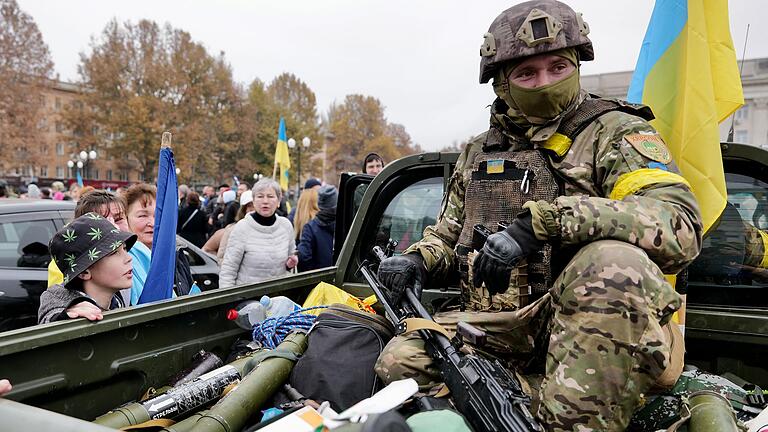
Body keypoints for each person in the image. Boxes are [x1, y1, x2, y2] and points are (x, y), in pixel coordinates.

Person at [374, 2, 703, 430]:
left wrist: (548, 222)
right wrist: (417, 259)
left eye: (558, 67)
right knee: (399, 362)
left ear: (578, 66)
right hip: (501, 327)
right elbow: (452, 232)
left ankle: (575, 414)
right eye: (527, 74)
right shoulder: (478, 152)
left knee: (613, 266)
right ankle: (546, 398)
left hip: (591, 324)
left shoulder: (615, 132)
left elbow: (678, 225)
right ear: (501, 84)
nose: (544, 83)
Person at [38, 213, 137, 324]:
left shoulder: (118, 300)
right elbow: (50, 316)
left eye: (124, 249)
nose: (129, 258)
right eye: (114, 253)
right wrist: (64, 318)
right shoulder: (63, 303)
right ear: (84, 272)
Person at [47, 189, 136, 309]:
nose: (113, 227)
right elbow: (55, 299)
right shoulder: (78, 311)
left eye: (119, 219)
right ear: (83, 272)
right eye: (113, 252)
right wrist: (66, 309)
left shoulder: (115, 295)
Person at [124, 183, 199, 304]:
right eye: (143, 215)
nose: (152, 223)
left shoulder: (177, 253)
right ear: (126, 218)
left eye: (158, 215)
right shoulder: (122, 262)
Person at [219, 178, 297, 287]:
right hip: (247, 297)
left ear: (279, 201)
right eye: (260, 196)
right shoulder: (242, 227)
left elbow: (290, 258)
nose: (265, 201)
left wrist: (290, 264)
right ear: (253, 201)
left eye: (270, 196)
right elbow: (228, 269)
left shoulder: (286, 225)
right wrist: (229, 301)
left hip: (279, 295)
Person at [298, 185, 337, 271]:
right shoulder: (347, 225)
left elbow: (304, 257)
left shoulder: (310, 228)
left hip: (319, 279)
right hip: (342, 279)